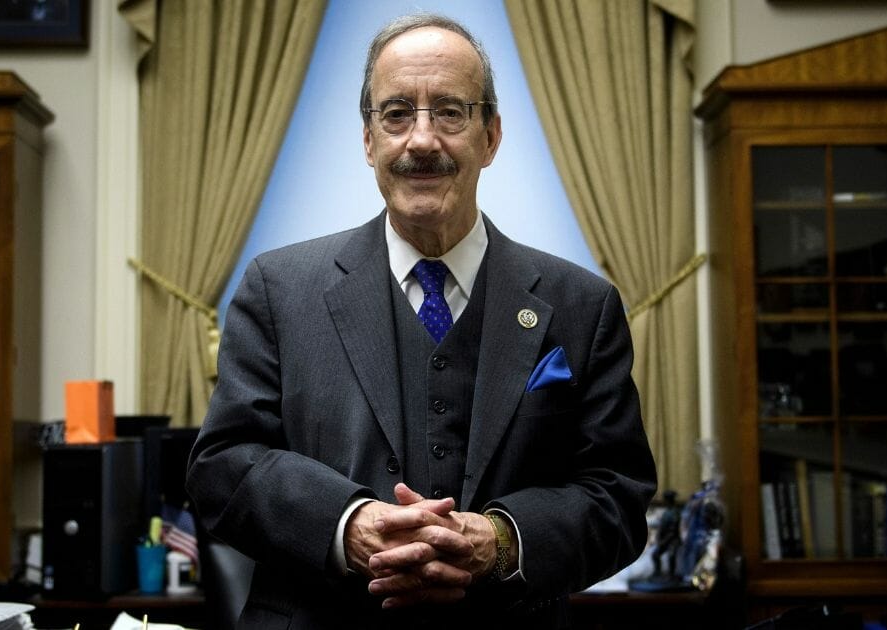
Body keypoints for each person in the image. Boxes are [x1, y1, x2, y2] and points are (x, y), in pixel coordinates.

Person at [187, 13, 657, 629]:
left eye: (451, 113)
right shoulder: (277, 289)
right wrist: (345, 524)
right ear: (368, 140)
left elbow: (618, 499)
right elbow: (221, 466)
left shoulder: (582, 306)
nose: (422, 140)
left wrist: (503, 540)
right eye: (398, 113)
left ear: (491, 136)